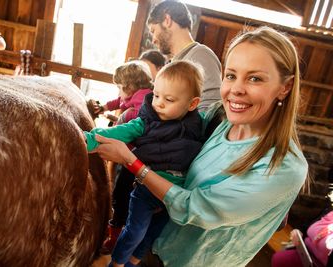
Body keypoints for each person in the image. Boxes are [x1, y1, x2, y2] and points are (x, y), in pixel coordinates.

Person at [89, 26, 309, 266]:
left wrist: (132, 162)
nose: (236, 89)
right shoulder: (218, 118)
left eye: (255, 78)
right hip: (155, 246)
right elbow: (168, 135)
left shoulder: (284, 165)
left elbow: (194, 208)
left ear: (284, 87)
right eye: (231, 75)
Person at [85, 60, 206, 267]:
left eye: (168, 99)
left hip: (175, 195)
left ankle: (132, 262)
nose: (158, 103)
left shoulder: (198, 125)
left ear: (192, 104)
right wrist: (87, 139)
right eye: (156, 95)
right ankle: (117, 263)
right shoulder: (145, 121)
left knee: (153, 234)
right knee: (135, 230)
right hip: (147, 190)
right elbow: (117, 132)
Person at [147, 0, 222, 112]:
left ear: (167, 20)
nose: (153, 40)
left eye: (153, 30)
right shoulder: (175, 61)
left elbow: (210, 109)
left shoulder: (200, 54)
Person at [91, 60, 153, 125]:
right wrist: (103, 107)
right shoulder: (131, 94)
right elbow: (119, 101)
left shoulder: (143, 96)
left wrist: (125, 116)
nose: (119, 93)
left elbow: (142, 115)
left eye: (119, 88)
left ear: (130, 87)